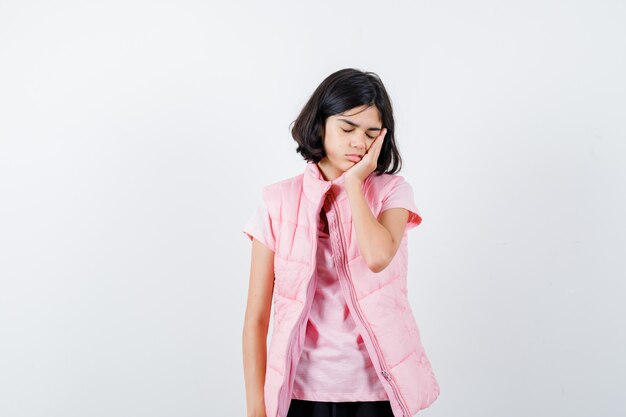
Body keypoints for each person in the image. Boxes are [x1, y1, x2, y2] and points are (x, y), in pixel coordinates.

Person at [242, 68, 440, 417]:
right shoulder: (277, 201)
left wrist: (354, 184)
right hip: (298, 393)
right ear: (320, 124)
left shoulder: (392, 192)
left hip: (378, 392)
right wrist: (256, 408)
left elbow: (378, 256)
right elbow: (256, 317)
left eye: (370, 133)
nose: (358, 142)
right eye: (347, 128)